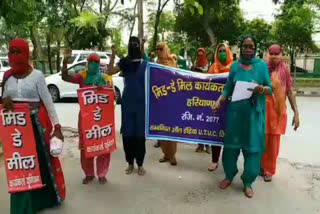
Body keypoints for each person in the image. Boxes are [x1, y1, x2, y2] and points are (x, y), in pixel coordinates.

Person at [2, 38, 66, 214]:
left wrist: (57, 127)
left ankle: (43, 200)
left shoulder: (37, 75)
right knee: (20, 166)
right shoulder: (7, 76)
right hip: (16, 129)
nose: (15, 56)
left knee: (39, 162)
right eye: (12, 52)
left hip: (37, 126)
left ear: (26, 53)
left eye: (18, 52)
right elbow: (4, 101)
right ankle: (24, 205)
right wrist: (4, 100)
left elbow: (48, 101)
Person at [213, 36, 272, 198]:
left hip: (253, 116)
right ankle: (229, 175)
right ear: (241, 48)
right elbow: (227, 89)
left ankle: (248, 182)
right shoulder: (234, 67)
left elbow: (270, 89)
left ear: (255, 48)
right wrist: (219, 101)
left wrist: (261, 89)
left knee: (252, 149)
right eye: (245, 46)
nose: (247, 49)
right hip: (235, 115)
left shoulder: (261, 66)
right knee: (231, 147)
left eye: (250, 46)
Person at [61, 50, 113, 185]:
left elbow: (111, 98)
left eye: (96, 62)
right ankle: (89, 173)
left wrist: (105, 89)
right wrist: (65, 61)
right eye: (91, 61)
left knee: (102, 145)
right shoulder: (81, 77)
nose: (93, 64)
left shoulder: (104, 78)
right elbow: (65, 77)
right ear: (87, 63)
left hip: (101, 119)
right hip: (85, 118)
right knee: (85, 147)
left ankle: (102, 173)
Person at [107, 36, 147, 175]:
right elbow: (110, 71)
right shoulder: (124, 62)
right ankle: (130, 163)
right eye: (131, 44)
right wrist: (113, 55)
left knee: (140, 135)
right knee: (128, 134)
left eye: (135, 44)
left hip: (142, 104)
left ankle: (140, 164)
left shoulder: (146, 63)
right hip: (128, 103)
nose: (133, 46)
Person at [260, 44, 300, 182]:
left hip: (277, 114)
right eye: (272, 53)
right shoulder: (263, 69)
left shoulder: (285, 72)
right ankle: (260, 166)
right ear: (268, 54)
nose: (274, 56)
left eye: (277, 53)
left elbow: (289, 92)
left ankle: (269, 170)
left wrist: (296, 113)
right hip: (262, 112)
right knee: (260, 142)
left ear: (281, 55)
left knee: (273, 144)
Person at [207, 43, 234, 171]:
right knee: (216, 132)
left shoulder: (234, 67)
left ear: (228, 52)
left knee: (229, 134)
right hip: (216, 104)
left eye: (224, 51)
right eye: (220, 51)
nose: (222, 53)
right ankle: (214, 160)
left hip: (232, 104)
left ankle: (228, 163)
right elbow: (206, 83)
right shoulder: (213, 67)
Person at [155, 42, 178, 166]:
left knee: (172, 129)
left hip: (172, 99)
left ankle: (173, 155)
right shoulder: (156, 63)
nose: (159, 51)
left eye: (161, 49)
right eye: (157, 49)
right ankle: (165, 154)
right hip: (160, 99)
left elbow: (179, 78)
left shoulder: (173, 62)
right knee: (162, 129)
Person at [191, 48, 211, 154]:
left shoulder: (209, 67)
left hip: (206, 98)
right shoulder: (193, 67)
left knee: (206, 121)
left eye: (201, 55)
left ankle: (207, 145)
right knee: (198, 121)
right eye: (198, 55)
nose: (200, 57)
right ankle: (200, 145)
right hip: (196, 97)